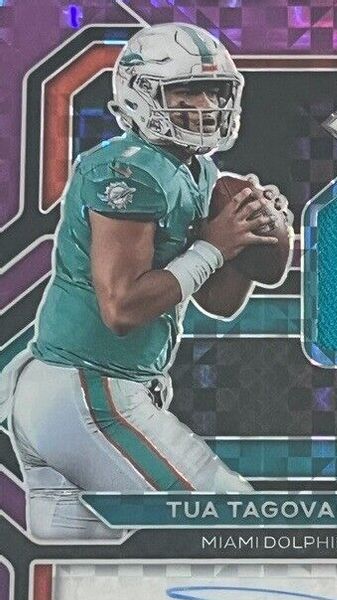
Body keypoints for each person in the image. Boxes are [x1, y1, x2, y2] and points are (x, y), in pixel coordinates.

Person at [6, 23, 292, 540]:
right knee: (236, 524)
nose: (205, 105)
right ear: (141, 94)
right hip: (88, 388)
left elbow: (220, 301)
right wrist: (213, 246)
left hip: (79, 395)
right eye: (186, 92)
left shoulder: (199, 173)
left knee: (86, 569)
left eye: (214, 91)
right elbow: (122, 307)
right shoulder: (126, 169)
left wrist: (252, 239)